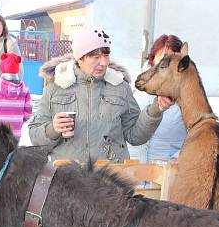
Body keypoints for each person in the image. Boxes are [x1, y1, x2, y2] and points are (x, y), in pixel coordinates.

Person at [29, 25, 172, 162]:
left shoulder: (120, 86)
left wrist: (155, 109)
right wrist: (53, 129)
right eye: (95, 57)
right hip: (69, 178)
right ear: (80, 58)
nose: (103, 63)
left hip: (110, 178)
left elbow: (135, 136)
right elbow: (35, 136)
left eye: (106, 55)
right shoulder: (57, 86)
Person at [131, 34, 187, 162]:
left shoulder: (187, 94)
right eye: (161, 60)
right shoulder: (134, 87)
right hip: (132, 172)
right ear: (153, 60)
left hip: (167, 175)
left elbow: (199, 135)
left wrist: (176, 160)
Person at [0, 53, 32, 140]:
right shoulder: (25, 90)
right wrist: (19, 121)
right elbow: (28, 112)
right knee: (12, 153)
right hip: (15, 133)